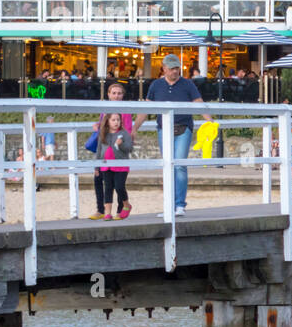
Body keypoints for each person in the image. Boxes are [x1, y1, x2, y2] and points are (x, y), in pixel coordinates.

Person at [131, 53, 211, 217]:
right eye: (172, 68)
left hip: (183, 127)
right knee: (167, 165)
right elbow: (146, 109)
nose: (176, 71)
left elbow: (199, 103)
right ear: (164, 69)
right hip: (164, 129)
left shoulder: (187, 84)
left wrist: (211, 123)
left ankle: (180, 205)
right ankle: (170, 204)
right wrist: (134, 129)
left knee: (180, 165)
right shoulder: (156, 85)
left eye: (177, 68)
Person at [89, 82, 135, 219]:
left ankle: (121, 209)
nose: (116, 96)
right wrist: (98, 125)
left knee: (117, 183)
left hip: (117, 149)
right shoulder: (105, 109)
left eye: (119, 93)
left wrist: (121, 139)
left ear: (123, 95)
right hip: (105, 149)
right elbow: (103, 126)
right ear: (108, 94)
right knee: (100, 179)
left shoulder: (125, 111)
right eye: (113, 93)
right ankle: (101, 209)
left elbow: (126, 129)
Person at [97, 112, 133, 219]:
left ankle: (126, 205)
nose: (116, 122)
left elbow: (129, 149)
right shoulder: (103, 134)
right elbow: (99, 151)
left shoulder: (124, 133)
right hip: (106, 166)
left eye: (118, 120)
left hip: (121, 166)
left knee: (119, 187)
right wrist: (96, 166)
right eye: (113, 120)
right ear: (107, 121)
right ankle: (107, 212)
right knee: (108, 188)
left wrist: (121, 144)